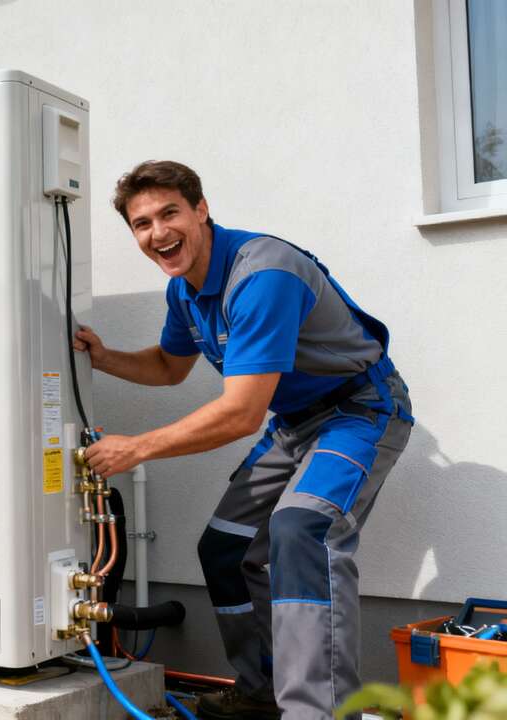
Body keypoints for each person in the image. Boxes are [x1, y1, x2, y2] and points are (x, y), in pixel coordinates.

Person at [73, 161, 413, 720]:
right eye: (141, 224)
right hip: (296, 422)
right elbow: (168, 366)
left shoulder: (262, 275)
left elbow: (239, 414)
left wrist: (135, 449)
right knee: (227, 546)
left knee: (302, 527)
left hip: (361, 411)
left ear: (201, 210)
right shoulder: (186, 291)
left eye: (169, 213)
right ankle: (260, 690)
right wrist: (103, 357)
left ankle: (316, 711)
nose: (157, 233)